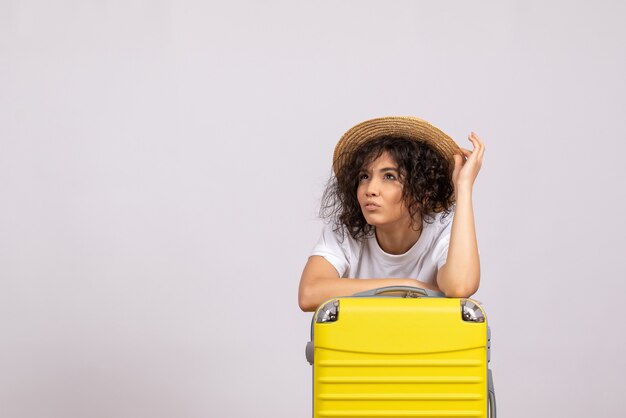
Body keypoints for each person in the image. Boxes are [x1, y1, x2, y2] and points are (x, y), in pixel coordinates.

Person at [298, 116, 485, 312]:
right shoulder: (347, 231)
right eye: (364, 177)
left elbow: (460, 286)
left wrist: (463, 188)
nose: (370, 189)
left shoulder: (444, 231)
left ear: (422, 190)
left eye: (389, 176)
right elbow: (309, 293)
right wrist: (409, 287)